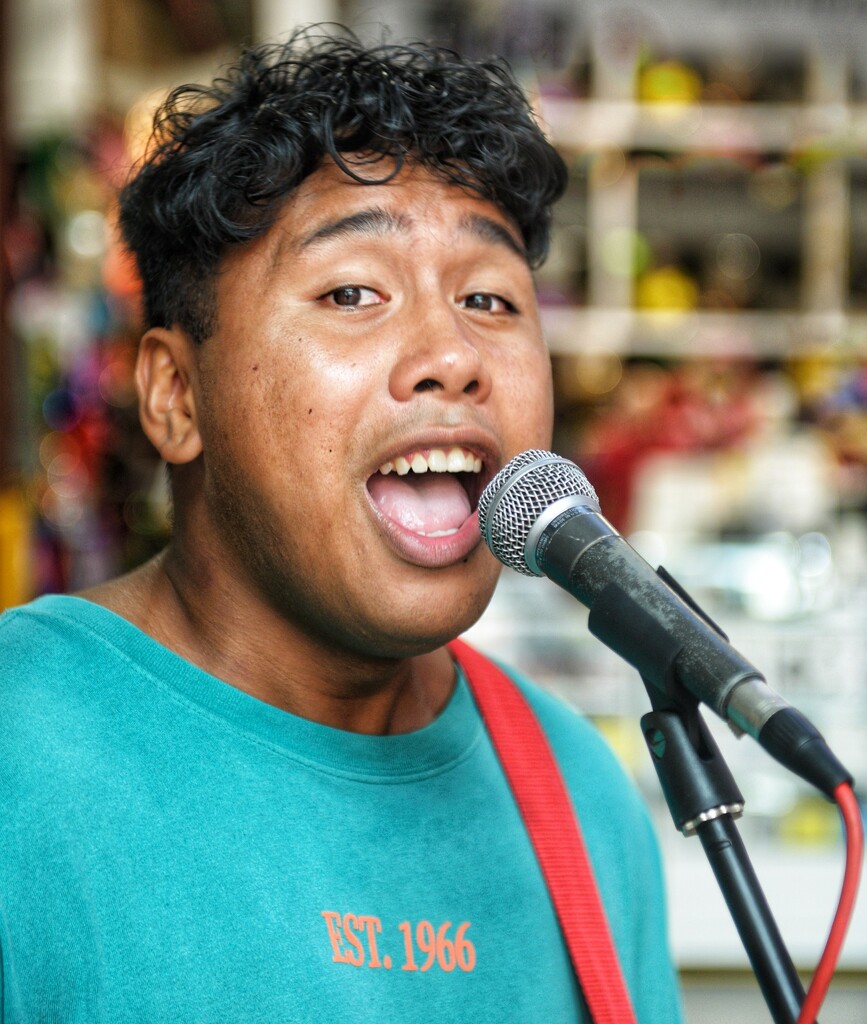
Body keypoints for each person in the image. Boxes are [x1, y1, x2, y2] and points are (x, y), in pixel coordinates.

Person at [0, 27, 683, 1022]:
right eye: (353, 291)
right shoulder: (23, 747)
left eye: (490, 298)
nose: (453, 355)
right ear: (176, 397)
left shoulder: (581, 798)